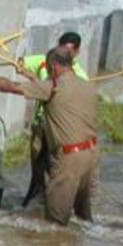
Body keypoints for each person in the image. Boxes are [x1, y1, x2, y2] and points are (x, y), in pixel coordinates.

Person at [0, 50, 100, 226]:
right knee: (83, 217)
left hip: (69, 158)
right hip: (91, 154)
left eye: (49, 68)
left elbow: (10, 86)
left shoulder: (54, 87)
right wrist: (31, 75)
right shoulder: (86, 85)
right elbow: (45, 87)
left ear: (54, 66)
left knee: (55, 223)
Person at [20, 32, 90, 207]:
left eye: (68, 51)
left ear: (76, 52)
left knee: (56, 168)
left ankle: (57, 204)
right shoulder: (47, 59)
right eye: (60, 50)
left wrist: (33, 79)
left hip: (60, 129)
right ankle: (36, 198)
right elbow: (22, 62)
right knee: (37, 166)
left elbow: (54, 93)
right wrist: (21, 66)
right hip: (40, 125)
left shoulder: (80, 76)